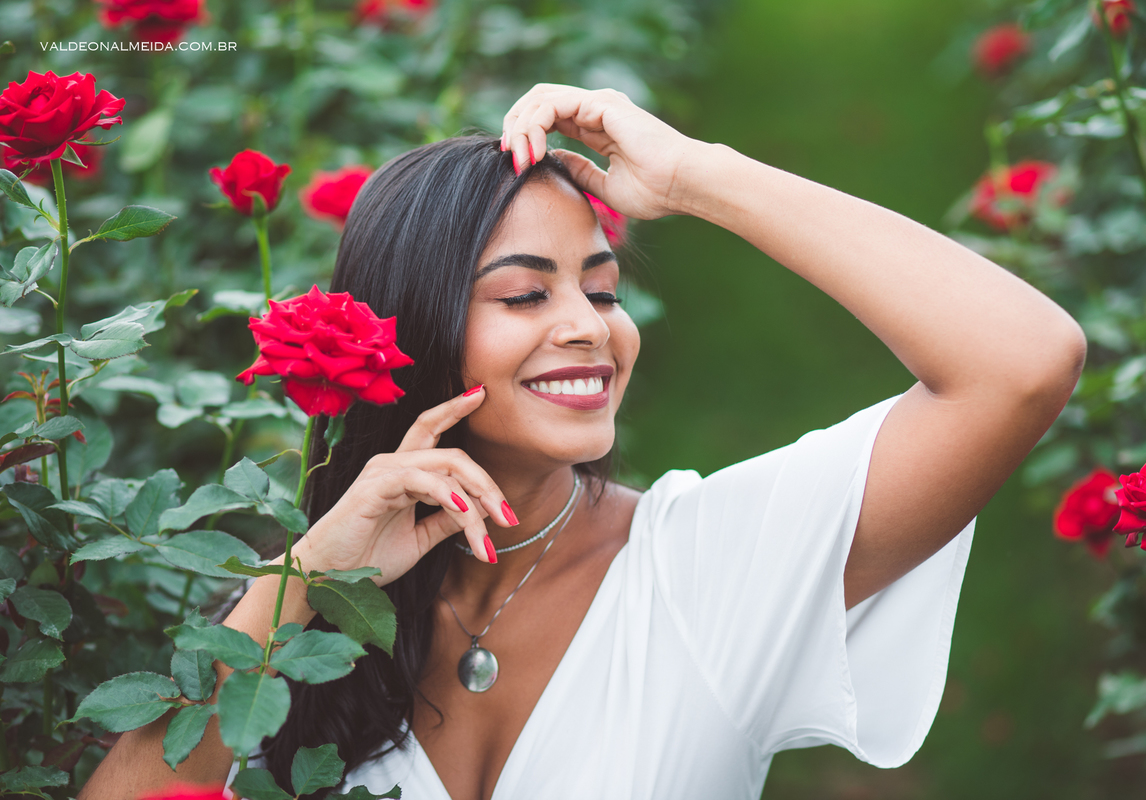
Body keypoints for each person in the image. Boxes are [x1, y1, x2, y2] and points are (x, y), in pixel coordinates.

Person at [79, 84, 1086, 800]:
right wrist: (310, 574)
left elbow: (1023, 361)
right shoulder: (299, 608)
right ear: (414, 327)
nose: (590, 325)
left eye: (602, 288)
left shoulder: (708, 566)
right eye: (527, 292)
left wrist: (698, 175)